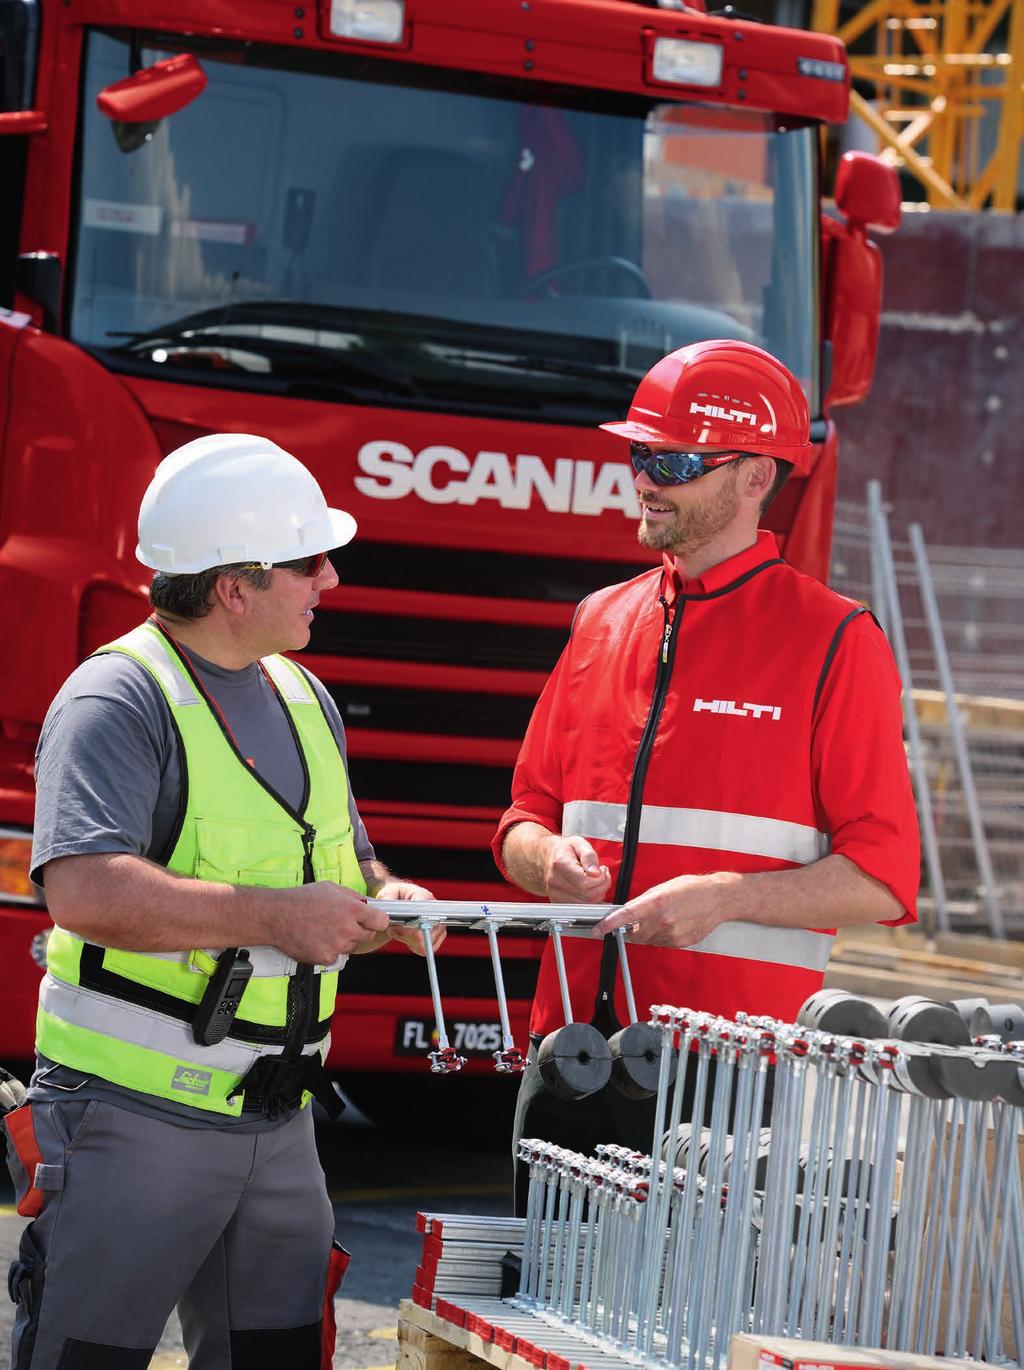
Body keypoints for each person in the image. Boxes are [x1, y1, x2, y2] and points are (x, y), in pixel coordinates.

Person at [5, 433, 443, 1370]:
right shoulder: (116, 700)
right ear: (235, 587)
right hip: (133, 1121)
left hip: (281, 1126)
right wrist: (280, 917)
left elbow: (349, 857)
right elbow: (80, 891)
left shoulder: (303, 693)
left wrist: (392, 899)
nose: (330, 577)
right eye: (308, 561)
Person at [492, 340, 920, 1212]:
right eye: (640, 455)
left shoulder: (836, 640)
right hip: (566, 1058)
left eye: (676, 462)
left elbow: (882, 877)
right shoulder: (599, 620)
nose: (646, 480)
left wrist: (724, 896)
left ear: (757, 476)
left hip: (727, 1084)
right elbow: (519, 822)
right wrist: (546, 862)